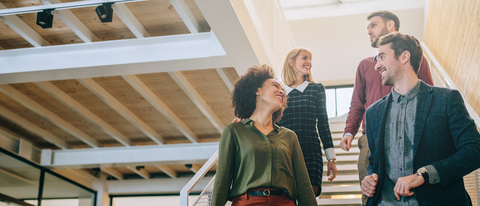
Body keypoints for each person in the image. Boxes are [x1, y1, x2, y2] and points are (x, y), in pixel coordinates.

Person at [361, 32, 480, 205]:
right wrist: (369, 179)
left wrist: (424, 174)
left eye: (382, 57)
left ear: (404, 57)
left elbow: (475, 150)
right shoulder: (373, 113)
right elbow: (374, 161)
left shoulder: (446, 100)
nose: (376, 66)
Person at [338, 10, 433, 205]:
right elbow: (357, 103)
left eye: (373, 25)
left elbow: (429, 95)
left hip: (413, 133)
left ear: (390, 25)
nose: (369, 31)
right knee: (371, 192)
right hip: (371, 138)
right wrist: (349, 131)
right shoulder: (365, 66)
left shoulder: (415, 59)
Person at [212, 65, 317, 206]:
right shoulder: (234, 131)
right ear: (257, 90)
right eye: (275, 86)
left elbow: (304, 187)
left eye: (283, 90)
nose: (282, 91)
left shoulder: (289, 136)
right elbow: (221, 183)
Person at [278, 48, 337, 196]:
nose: (309, 62)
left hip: (311, 151)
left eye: (310, 59)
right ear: (291, 61)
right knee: (286, 199)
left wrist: (332, 158)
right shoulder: (280, 92)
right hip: (284, 151)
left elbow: (323, 123)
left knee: (309, 195)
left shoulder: (316, 88)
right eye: (305, 58)